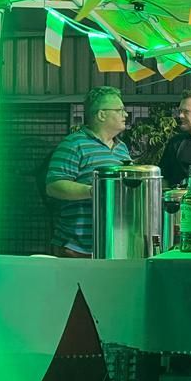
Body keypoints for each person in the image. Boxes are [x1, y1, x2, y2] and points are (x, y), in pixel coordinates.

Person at [45, 86, 132, 257]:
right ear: (101, 114)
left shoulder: (122, 148)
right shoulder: (74, 144)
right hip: (76, 247)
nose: (126, 114)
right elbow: (53, 186)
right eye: (119, 110)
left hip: (111, 244)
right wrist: (95, 191)